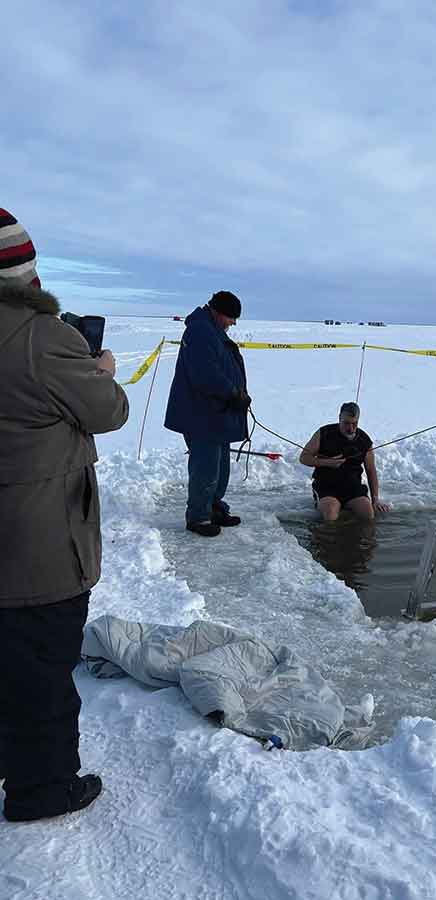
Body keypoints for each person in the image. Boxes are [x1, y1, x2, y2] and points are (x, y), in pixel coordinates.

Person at [0, 209, 129, 822]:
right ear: (26, 271)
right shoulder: (43, 336)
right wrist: (98, 369)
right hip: (34, 544)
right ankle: (43, 789)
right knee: (43, 670)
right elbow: (108, 412)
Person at [164, 290, 250, 537]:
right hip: (201, 415)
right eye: (231, 317)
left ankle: (212, 507)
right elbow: (205, 374)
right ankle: (198, 517)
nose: (233, 323)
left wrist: (237, 394)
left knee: (220, 467)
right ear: (218, 311)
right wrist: (233, 393)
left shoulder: (211, 329)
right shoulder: (200, 331)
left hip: (217, 414)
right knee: (206, 468)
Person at [299, 402, 390, 522]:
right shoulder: (324, 433)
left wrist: (375, 499)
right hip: (326, 486)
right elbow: (304, 457)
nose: (351, 428)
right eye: (346, 423)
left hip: (353, 488)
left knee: (367, 513)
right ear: (339, 418)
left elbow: (371, 471)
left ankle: (362, 541)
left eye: (354, 424)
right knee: (330, 514)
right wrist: (328, 462)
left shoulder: (363, 440)